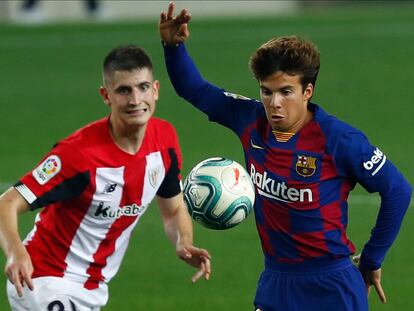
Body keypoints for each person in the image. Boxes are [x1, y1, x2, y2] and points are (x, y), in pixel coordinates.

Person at [159, 2, 412, 311]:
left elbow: (398, 189)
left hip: (332, 285)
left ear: (308, 91)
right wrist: (173, 48)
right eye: (267, 91)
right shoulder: (249, 119)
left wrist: (372, 258)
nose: (274, 103)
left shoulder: (339, 139)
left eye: (286, 92)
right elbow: (195, 90)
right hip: (276, 280)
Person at [0, 44, 211, 310]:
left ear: (155, 90)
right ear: (106, 95)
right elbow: (6, 203)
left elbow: (173, 209)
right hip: (43, 279)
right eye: (124, 90)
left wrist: (184, 243)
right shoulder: (77, 155)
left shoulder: (164, 141)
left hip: (93, 288)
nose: (135, 100)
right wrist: (16, 253)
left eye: (143, 87)